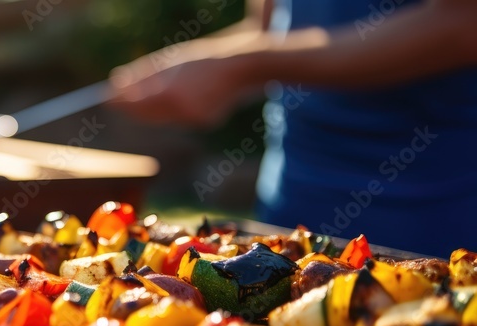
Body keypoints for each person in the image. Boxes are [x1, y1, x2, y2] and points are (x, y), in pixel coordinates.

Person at [108, 0, 477, 257]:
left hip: (424, 214)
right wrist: (186, 65)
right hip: (288, 205)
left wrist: (239, 66)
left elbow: (462, 24)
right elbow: (268, 29)